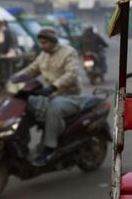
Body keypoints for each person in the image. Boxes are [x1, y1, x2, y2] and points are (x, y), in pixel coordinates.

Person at [13, 27, 82, 166]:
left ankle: (50, 148)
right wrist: (15, 79)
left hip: (69, 96)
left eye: (45, 42)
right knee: (25, 104)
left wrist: (53, 86)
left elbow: (72, 74)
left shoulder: (68, 52)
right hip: (50, 95)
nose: (42, 45)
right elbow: (31, 70)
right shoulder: (43, 55)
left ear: (53, 41)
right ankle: (21, 143)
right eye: (40, 43)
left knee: (53, 108)